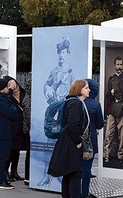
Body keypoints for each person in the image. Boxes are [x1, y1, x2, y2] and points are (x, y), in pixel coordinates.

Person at [47, 79, 93, 198]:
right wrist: (78, 141)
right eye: (86, 88)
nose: (88, 90)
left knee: (68, 170)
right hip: (72, 141)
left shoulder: (71, 101)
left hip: (66, 140)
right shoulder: (76, 103)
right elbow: (74, 124)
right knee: (75, 171)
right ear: (79, 90)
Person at [39, 37, 76, 186]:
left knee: (65, 143)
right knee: (50, 142)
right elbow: (47, 84)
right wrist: (48, 90)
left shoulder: (72, 73)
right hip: (55, 115)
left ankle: (63, 177)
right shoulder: (54, 71)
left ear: (68, 54)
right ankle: (47, 175)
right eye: (60, 52)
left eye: (64, 52)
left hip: (66, 114)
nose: (62, 55)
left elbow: (75, 92)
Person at [103, 56, 123, 166]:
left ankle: (120, 156)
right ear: (114, 66)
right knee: (109, 133)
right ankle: (106, 156)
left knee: (122, 135)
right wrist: (111, 92)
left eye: (121, 64)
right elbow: (107, 97)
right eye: (117, 65)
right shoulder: (111, 79)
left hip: (122, 108)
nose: (119, 67)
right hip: (112, 108)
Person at [81, 78, 104, 198]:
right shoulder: (95, 105)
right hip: (90, 140)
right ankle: (84, 194)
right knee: (86, 169)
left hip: (77, 140)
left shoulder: (76, 101)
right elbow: (100, 124)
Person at [4, 75, 29, 182]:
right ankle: (5, 171)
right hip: (12, 126)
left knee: (17, 150)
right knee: (10, 150)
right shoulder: (7, 96)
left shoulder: (24, 94)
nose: (14, 86)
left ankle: (14, 171)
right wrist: (10, 90)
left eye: (14, 83)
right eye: (10, 84)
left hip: (22, 126)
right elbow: (7, 102)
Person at [22, 73, 32, 186]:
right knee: (30, 153)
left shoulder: (26, 98)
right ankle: (28, 176)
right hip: (30, 129)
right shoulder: (29, 99)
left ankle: (28, 176)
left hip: (28, 128)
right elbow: (29, 116)